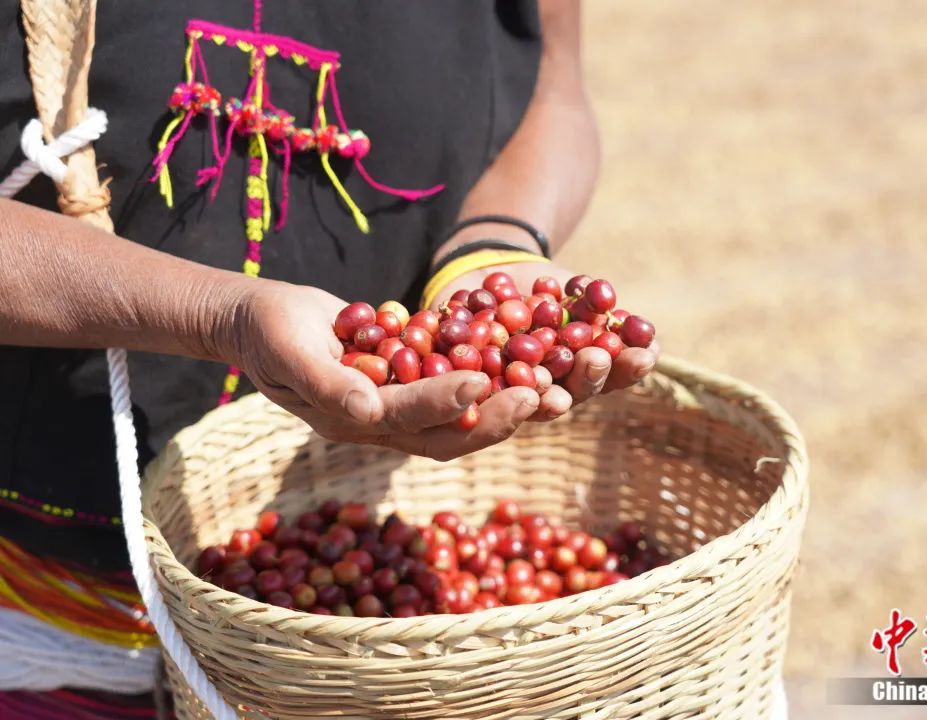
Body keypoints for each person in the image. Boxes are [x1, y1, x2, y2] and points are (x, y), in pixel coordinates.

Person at [0, 0, 657, 586]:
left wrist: (490, 244)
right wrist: (218, 315)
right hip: (35, 575)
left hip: (369, 524)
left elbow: (553, 93)